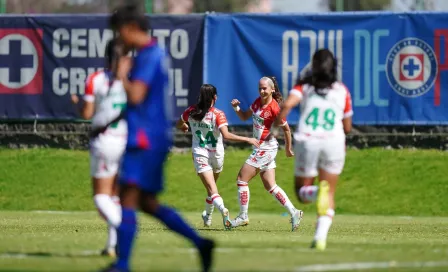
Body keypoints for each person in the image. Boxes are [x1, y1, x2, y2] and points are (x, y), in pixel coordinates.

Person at [102, 4, 214, 272]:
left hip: (144, 139)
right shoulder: (153, 54)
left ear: (130, 28)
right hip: (151, 136)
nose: (118, 39)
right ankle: (200, 243)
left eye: (119, 33)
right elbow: (143, 104)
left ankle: (123, 264)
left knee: (127, 196)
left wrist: (120, 75)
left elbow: (136, 96)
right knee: (147, 203)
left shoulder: (149, 55)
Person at [277, 49, 353, 251]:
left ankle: (317, 192)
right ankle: (320, 238)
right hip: (334, 142)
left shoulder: (304, 87)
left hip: (308, 140)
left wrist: (275, 127)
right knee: (330, 192)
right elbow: (347, 127)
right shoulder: (342, 90)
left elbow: (286, 107)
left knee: (301, 193)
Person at [176, 84, 260, 230]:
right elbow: (226, 135)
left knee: (212, 190)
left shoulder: (191, 111)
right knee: (211, 188)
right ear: (215, 97)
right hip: (217, 155)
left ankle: (223, 210)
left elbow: (179, 123)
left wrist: (183, 126)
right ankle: (207, 217)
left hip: (200, 153)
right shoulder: (218, 114)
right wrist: (247, 139)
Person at [71, 38, 126, 258]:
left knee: (100, 197)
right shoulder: (130, 81)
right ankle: (112, 246)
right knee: (115, 197)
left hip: (105, 142)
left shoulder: (96, 79)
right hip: (126, 142)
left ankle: (122, 227)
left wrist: (76, 102)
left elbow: (86, 113)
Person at [230, 76, 304, 231]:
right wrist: (237, 108)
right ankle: (294, 212)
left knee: (241, 179)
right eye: (260, 88)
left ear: (272, 89)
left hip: (266, 147)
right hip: (262, 147)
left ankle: (243, 216)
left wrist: (288, 149)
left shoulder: (275, 108)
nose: (262, 91)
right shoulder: (257, 102)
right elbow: (244, 117)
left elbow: (286, 130)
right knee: (270, 185)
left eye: (264, 88)